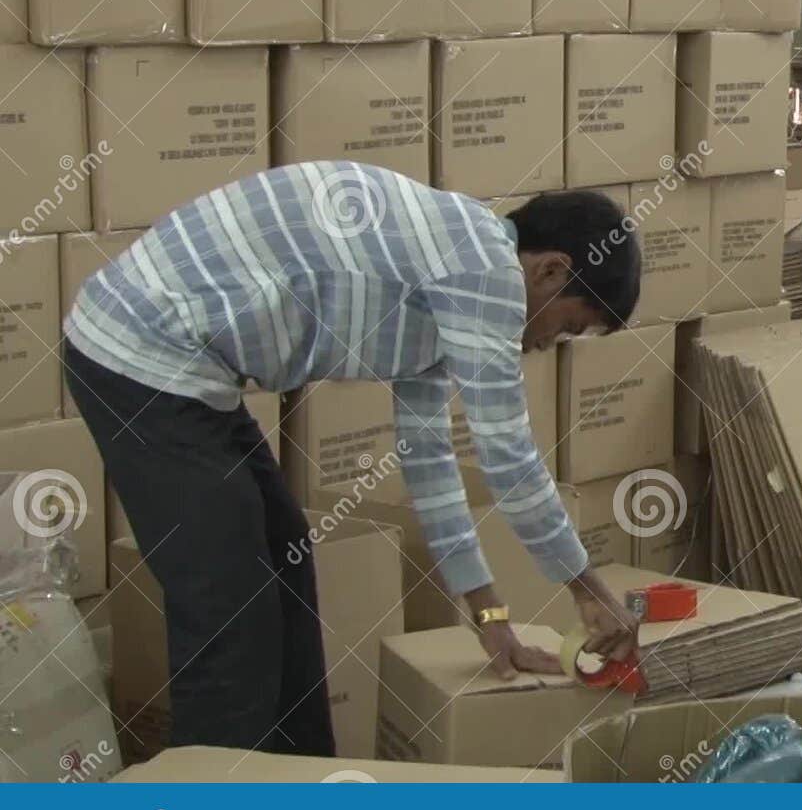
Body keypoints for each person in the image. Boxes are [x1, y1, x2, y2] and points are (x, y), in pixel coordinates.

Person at [64, 161, 642, 756]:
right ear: (551, 269)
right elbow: (509, 455)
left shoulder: (452, 286)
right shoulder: (484, 270)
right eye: (567, 326)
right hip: (137, 353)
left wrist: (489, 615)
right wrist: (588, 589)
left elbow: (429, 459)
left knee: (283, 550)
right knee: (229, 605)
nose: (547, 345)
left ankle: (304, 785)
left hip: (194, 373)